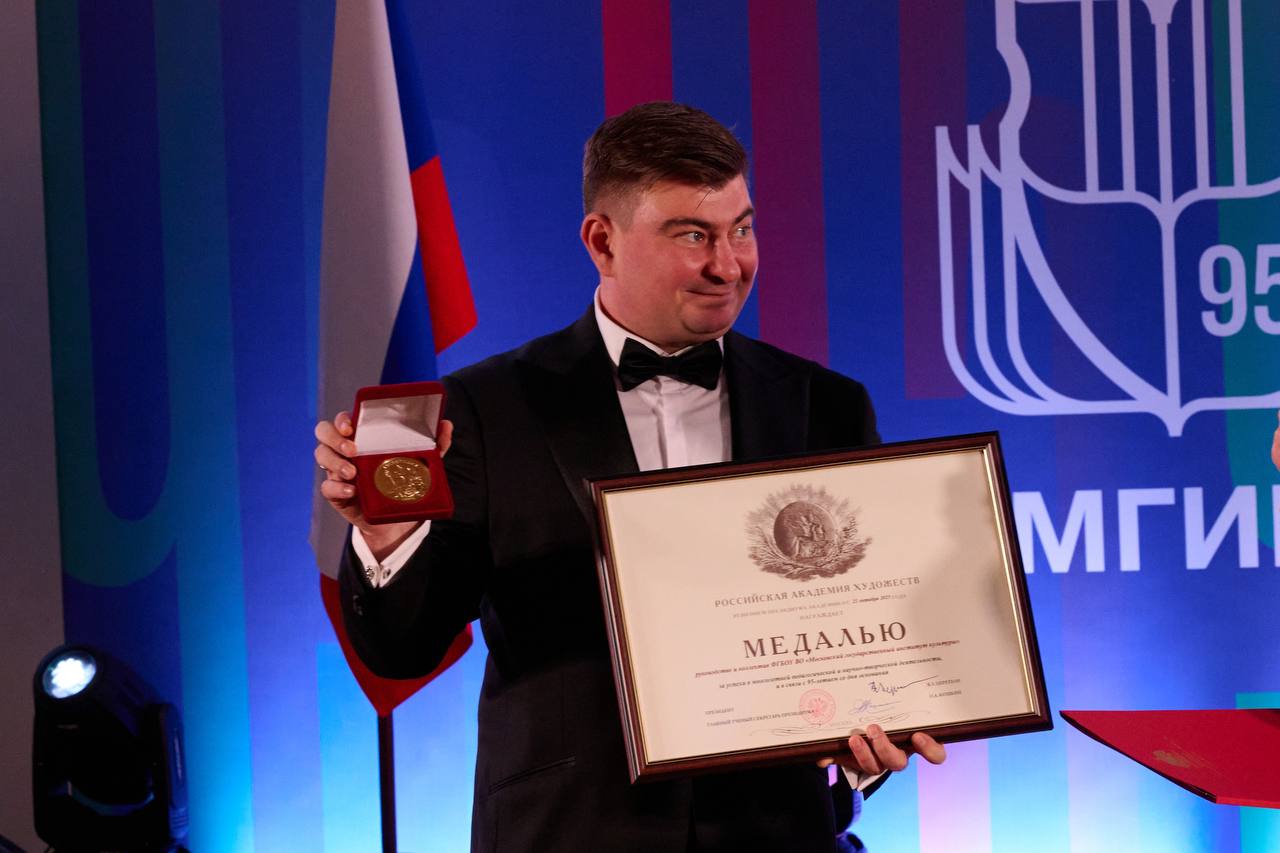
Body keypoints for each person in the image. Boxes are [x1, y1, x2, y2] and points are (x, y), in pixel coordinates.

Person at [314, 102, 945, 852]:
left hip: (777, 833)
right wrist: (389, 539)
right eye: (693, 235)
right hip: (566, 832)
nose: (728, 265)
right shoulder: (485, 408)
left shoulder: (828, 406)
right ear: (602, 241)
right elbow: (402, 650)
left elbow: (867, 639)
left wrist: (873, 736)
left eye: (742, 230)